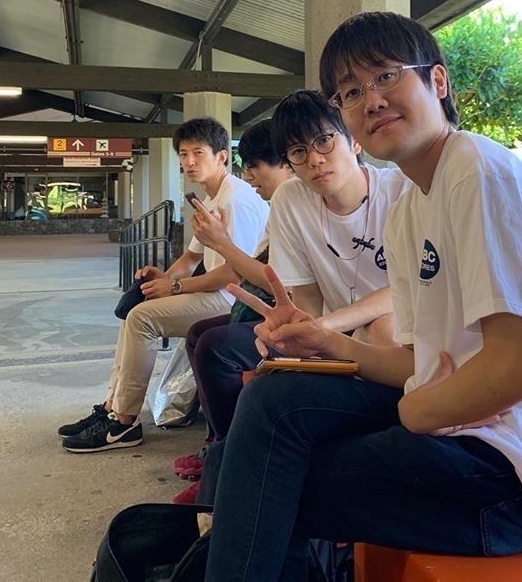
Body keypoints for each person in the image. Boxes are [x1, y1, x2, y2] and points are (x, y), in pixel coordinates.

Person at [198, 12, 522, 580]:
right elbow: (417, 362)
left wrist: (414, 411)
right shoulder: (410, 208)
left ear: (437, 81)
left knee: (269, 479)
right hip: (466, 425)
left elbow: (517, 368)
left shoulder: (477, 171)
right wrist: (327, 342)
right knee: (272, 404)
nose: (371, 100)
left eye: (387, 76)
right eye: (350, 91)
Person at [175, 93, 412, 506]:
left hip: (398, 341)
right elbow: (305, 300)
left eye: (325, 141)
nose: (315, 159)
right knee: (260, 392)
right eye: (299, 152)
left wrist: (324, 329)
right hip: (334, 338)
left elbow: (403, 289)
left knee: (382, 329)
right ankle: (221, 479)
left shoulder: (402, 192)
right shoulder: (291, 200)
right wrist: (304, 338)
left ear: (354, 140)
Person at [57, 117, 269, 453]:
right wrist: (165, 278)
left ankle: (124, 422)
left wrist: (176, 289)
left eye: (198, 153)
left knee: (142, 319)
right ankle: (112, 408)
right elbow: (190, 258)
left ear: (221, 156)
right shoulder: (209, 200)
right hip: (214, 293)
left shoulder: (236, 201)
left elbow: (234, 275)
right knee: (135, 311)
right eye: (183, 154)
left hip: (232, 300)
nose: (189, 162)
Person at [171, 120, 294, 499]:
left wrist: (221, 246)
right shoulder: (281, 204)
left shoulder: (246, 200)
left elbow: (265, 278)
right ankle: (219, 446)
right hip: (264, 308)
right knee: (200, 335)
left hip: (293, 317)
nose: (249, 176)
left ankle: (229, 460)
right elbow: (256, 270)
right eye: (183, 155)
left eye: (255, 166)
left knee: (216, 345)